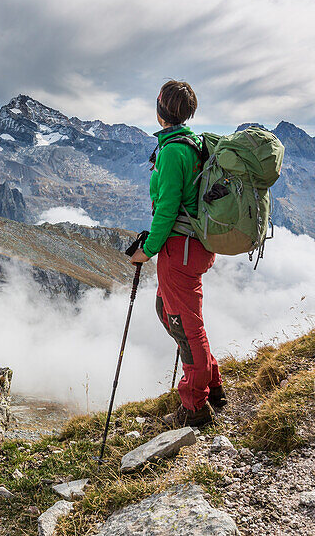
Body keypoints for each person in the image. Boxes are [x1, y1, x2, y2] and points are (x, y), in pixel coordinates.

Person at [129, 80, 224, 426]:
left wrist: (147, 251)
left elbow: (166, 209)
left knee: (185, 326)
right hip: (194, 247)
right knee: (170, 312)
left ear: (161, 111)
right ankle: (211, 383)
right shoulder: (194, 143)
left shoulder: (172, 152)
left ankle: (195, 405)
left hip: (178, 251)